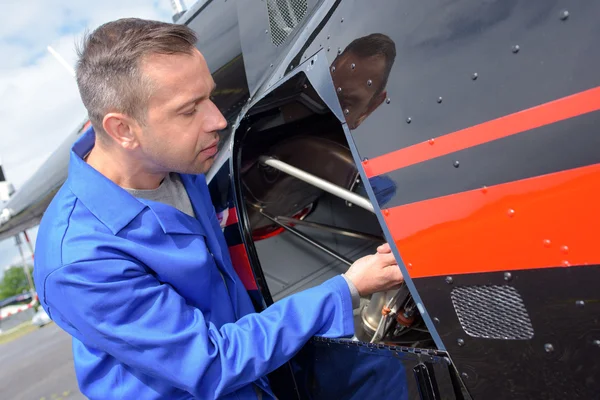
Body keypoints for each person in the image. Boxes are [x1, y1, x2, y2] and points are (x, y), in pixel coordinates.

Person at [33, 19, 404, 400]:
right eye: (189, 110)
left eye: (209, 96)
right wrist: (346, 289)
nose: (218, 121)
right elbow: (211, 362)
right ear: (123, 130)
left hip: (255, 366)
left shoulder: (178, 164)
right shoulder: (79, 262)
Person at [331, 33, 398, 206]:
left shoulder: (367, 192)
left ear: (367, 110)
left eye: (344, 105)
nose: (327, 108)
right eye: (326, 89)